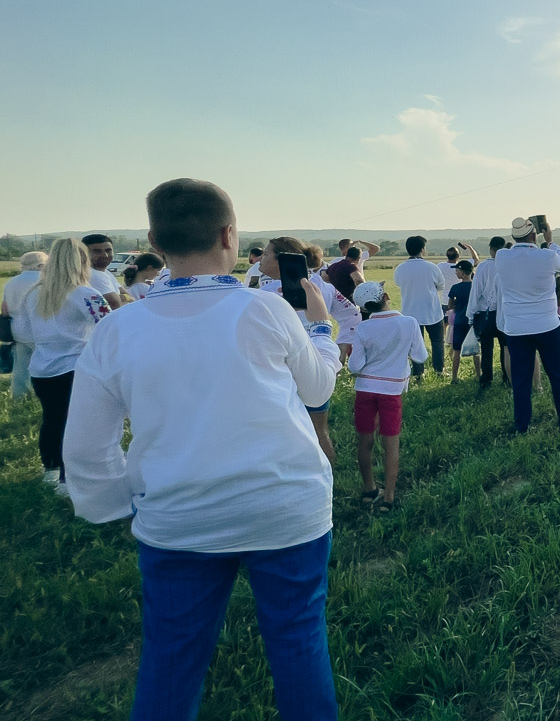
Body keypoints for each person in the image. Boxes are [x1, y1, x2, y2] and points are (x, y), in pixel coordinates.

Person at [62, 177, 340, 720]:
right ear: (230, 235)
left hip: (177, 517)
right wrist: (323, 333)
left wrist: (117, 507)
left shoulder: (116, 330)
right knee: (298, 644)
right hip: (284, 506)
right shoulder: (266, 310)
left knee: (171, 658)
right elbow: (318, 391)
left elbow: (88, 451)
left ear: (154, 240)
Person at [13, 238, 109, 491]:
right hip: (76, 367)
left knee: (52, 420)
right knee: (76, 423)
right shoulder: (86, 293)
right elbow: (109, 326)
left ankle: (51, 471)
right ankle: (69, 478)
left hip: (42, 368)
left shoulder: (33, 294)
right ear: (83, 262)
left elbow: (21, 331)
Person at [257, 237, 342, 464]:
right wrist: (343, 343)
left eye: (265, 255)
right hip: (319, 361)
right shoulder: (322, 286)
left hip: (282, 367)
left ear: (282, 259)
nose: (259, 261)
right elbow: (352, 313)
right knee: (319, 430)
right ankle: (330, 478)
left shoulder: (265, 294)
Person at [491, 217, 560, 433]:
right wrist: (550, 241)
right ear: (534, 235)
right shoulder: (547, 255)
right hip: (547, 325)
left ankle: (522, 424)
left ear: (513, 236)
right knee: (558, 375)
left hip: (516, 328)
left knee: (521, 379)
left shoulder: (502, 256)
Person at [349, 281, 426, 512]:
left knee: (365, 440)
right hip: (391, 391)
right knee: (390, 442)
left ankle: (369, 489)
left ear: (363, 308)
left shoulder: (363, 328)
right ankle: (389, 497)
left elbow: (355, 366)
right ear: (385, 296)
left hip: (365, 389)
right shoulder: (408, 323)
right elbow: (420, 356)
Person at [393, 235, 446, 379]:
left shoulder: (400, 268)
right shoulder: (432, 267)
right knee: (437, 342)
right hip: (432, 311)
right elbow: (441, 285)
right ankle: (439, 370)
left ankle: (418, 372)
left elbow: (398, 283)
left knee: (415, 344)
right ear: (422, 249)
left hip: (410, 311)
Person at [2, 250, 47, 400]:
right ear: (41, 264)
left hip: (17, 329)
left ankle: (19, 396)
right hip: (40, 329)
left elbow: (5, 308)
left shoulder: (11, 282)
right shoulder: (44, 280)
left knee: (21, 366)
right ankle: (42, 395)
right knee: (44, 364)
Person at [467, 235, 510, 393]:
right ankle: (507, 376)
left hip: (486, 313)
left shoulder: (484, 266)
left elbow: (476, 290)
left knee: (487, 348)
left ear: (491, 249)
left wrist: (471, 314)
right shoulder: (508, 265)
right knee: (506, 348)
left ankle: (486, 378)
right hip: (505, 312)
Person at [447, 259, 475, 382]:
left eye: (457, 271)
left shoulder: (455, 288)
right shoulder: (475, 286)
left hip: (459, 321)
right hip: (472, 322)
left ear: (463, 273)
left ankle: (454, 377)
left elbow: (450, 305)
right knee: (476, 351)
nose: (456, 273)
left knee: (456, 350)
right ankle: (479, 375)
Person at [81, 233, 125, 309]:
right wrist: (123, 298)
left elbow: (131, 297)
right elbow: (116, 305)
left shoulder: (106, 273)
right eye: (97, 251)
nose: (105, 255)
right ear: (84, 253)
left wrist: (124, 298)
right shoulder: (92, 275)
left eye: (108, 250)